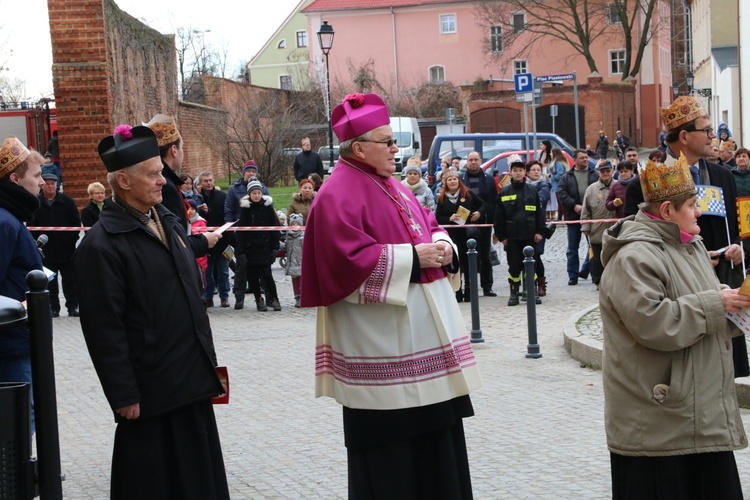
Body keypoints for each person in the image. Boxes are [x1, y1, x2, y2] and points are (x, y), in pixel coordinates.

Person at [300, 93, 481, 498]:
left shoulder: (394, 185)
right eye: (388, 142)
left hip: (426, 347)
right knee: (394, 461)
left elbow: (428, 221)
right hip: (383, 351)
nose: (397, 150)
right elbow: (342, 262)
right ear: (359, 147)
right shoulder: (335, 195)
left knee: (439, 447)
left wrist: (443, 245)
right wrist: (413, 258)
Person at [74, 124, 229, 499]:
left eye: (161, 170)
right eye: (154, 173)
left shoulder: (168, 220)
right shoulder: (101, 245)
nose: (164, 180)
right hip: (150, 395)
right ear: (124, 182)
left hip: (190, 379)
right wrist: (123, 394)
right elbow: (103, 328)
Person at [599, 153, 749, 499]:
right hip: (658, 426)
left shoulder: (690, 245)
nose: (700, 212)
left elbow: (701, 309)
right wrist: (716, 303)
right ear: (667, 211)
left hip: (699, 417)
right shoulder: (634, 256)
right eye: (693, 205)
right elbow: (655, 323)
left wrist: (732, 305)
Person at [0, 136, 44, 431]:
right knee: (17, 426)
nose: (42, 182)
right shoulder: (4, 222)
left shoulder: (12, 218)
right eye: (36, 175)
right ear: (16, 179)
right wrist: (23, 305)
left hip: (18, 342)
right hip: (10, 346)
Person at [144, 114, 218, 257]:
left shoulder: (167, 182)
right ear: (174, 150)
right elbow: (174, 241)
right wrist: (204, 241)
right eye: (182, 147)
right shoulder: (166, 187)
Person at [494, 156, 545, 306]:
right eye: (515, 170)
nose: (518, 173)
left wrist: (539, 232)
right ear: (510, 173)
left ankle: (531, 292)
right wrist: (502, 236)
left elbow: (539, 214)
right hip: (512, 237)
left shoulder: (532, 190)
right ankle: (514, 293)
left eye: (520, 170)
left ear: (525, 173)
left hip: (530, 235)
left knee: (531, 266)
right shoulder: (504, 192)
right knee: (514, 266)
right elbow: (499, 217)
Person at [31, 173, 81, 317]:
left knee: (70, 280)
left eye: (53, 183)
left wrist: (70, 240)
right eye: (47, 183)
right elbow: (31, 225)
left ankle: (72, 306)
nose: (50, 186)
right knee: (50, 281)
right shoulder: (37, 203)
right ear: (43, 186)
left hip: (66, 250)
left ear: (57, 185)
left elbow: (76, 224)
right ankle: (53, 308)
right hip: (47, 250)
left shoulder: (67, 201)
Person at [434, 168, 484, 302]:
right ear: (445, 182)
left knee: (468, 263)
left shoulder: (468, 194)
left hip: (467, 235)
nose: (452, 181)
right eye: (449, 179)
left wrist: (479, 213)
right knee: (456, 262)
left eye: (454, 179)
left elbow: (483, 205)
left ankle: (469, 291)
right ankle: (457, 291)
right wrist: (449, 218)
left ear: (458, 180)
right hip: (452, 236)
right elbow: (437, 217)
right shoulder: (442, 198)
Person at [235, 180, 281, 311]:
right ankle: (259, 300)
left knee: (267, 275)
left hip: (265, 247)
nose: (256, 195)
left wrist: (275, 247)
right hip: (251, 249)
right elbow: (240, 231)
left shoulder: (268, 207)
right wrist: (241, 252)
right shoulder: (245, 209)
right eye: (254, 193)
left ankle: (274, 299)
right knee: (253, 277)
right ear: (250, 194)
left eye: (259, 193)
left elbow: (274, 228)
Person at [460, 150, 498, 296]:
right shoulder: (460, 179)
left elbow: (492, 201)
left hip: (484, 222)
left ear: (481, 161)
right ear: (467, 162)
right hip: (464, 223)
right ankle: (468, 287)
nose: (473, 162)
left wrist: (491, 220)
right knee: (465, 255)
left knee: (485, 256)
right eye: (471, 160)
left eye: (476, 159)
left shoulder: (488, 179)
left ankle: (487, 286)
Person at [557, 149, 598, 285]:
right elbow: (561, 193)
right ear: (575, 160)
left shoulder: (594, 175)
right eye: (582, 158)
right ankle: (573, 275)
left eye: (586, 157)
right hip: (573, 216)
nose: (585, 160)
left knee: (593, 246)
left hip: (591, 216)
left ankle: (592, 272)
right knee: (572, 248)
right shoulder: (567, 176)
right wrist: (574, 205)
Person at [196, 171, 231, 308]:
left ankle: (224, 296)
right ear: (200, 183)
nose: (208, 183)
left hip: (221, 238)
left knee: (223, 270)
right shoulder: (198, 198)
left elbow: (227, 215)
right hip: (204, 239)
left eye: (210, 180)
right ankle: (208, 296)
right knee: (207, 271)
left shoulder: (222, 196)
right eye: (205, 181)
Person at [580, 160, 615, 288]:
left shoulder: (617, 186)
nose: (605, 173)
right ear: (599, 173)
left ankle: (613, 281)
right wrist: (585, 227)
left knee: (613, 256)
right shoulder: (591, 189)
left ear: (612, 171)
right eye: (602, 171)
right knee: (597, 258)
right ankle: (599, 281)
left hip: (614, 230)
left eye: (608, 171)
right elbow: (586, 210)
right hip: (597, 230)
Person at [525, 160, 552, 297]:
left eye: (538, 169)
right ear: (527, 172)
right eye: (533, 169)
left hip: (538, 225)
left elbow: (541, 201)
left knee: (536, 255)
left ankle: (540, 284)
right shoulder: (522, 185)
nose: (536, 172)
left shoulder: (544, 185)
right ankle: (527, 285)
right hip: (523, 226)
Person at [284, 213, 305, 308]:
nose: (295, 226)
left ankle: (303, 297)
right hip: (292, 263)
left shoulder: (303, 237)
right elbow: (286, 246)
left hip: (301, 263)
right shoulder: (289, 236)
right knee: (295, 281)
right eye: (293, 224)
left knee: (302, 281)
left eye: (297, 224)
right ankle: (297, 297)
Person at [547, 148, 568, 220]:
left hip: (558, 185)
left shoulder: (558, 163)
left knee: (561, 202)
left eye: (551, 152)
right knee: (559, 202)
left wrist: (550, 176)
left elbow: (560, 175)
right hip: (557, 185)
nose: (550, 154)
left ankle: (564, 217)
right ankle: (560, 217)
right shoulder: (557, 162)